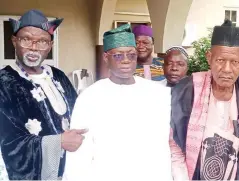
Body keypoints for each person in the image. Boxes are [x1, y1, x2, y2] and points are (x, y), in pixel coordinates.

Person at [62, 24, 172, 181]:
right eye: (118, 56)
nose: (126, 61)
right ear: (106, 58)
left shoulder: (157, 94)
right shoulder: (90, 98)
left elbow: (162, 146)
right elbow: (79, 155)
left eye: (131, 55)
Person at [169, 20, 239, 181]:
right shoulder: (187, 91)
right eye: (220, 60)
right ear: (209, 58)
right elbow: (175, 147)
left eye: (235, 62)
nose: (227, 69)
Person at [0, 9, 86, 180]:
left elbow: (79, 114)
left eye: (42, 42)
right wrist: (57, 143)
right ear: (14, 41)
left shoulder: (59, 76)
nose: (34, 47)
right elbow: (8, 143)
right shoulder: (4, 83)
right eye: (26, 39)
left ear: (50, 46)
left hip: (71, 170)